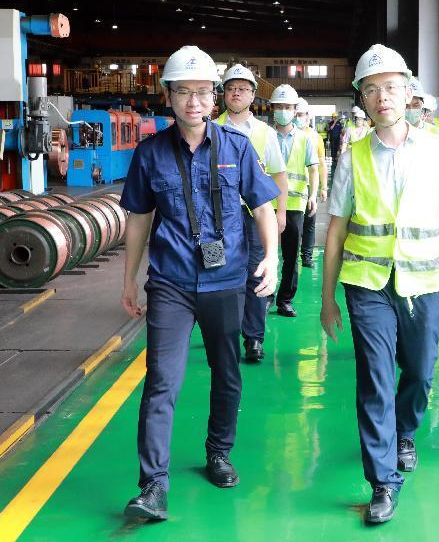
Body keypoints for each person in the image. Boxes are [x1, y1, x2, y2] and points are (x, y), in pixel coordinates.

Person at [320, 43, 439, 524]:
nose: (382, 97)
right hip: (367, 284)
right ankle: (382, 481)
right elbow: (336, 231)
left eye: (390, 87)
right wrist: (327, 298)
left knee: (419, 371)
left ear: (407, 92)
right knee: (374, 378)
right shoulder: (352, 157)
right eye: (371, 90)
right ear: (362, 99)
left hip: (424, 281)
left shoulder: (435, 150)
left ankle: (404, 432)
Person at [119, 46, 280, 520]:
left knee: (226, 372)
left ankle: (219, 452)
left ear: (215, 97)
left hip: (226, 281)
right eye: (184, 92)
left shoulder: (237, 148)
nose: (194, 101)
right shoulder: (150, 153)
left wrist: (272, 258)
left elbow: (263, 207)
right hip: (170, 282)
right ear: (168, 96)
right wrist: (129, 280)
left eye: (203, 92)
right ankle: (153, 485)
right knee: (161, 381)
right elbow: (139, 219)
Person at [215, 63, 288, 362]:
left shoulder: (265, 133)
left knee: (257, 273)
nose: (236, 93)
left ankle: (254, 338)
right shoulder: (210, 129)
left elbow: (279, 175)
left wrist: (280, 213)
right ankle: (221, 333)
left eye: (242, 89)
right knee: (218, 271)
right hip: (218, 219)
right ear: (223, 93)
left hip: (256, 215)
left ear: (253, 95)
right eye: (231, 88)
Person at [271, 84, 319, 318]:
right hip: (266, 205)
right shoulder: (265, 136)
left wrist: (313, 195)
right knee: (265, 254)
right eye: (279, 106)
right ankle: (264, 297)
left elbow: (313, 169)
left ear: (294, 109)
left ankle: (285, 300)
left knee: (291, 256)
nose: (283, 111)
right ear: (272, 109)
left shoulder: (305, 139)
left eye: (287, 107)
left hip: (294, 206)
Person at [295, 97, 328, 268]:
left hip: (309, 185)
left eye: (301, 114)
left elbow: (321, 164)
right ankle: (292, 256)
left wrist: (323, 187)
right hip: (291, 187)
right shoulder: (287, 134)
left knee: (309, 222)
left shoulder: (315, 137)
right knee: (294, 224)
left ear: (308, 116)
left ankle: (306, 256)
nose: (298, 118)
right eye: (296, 114)